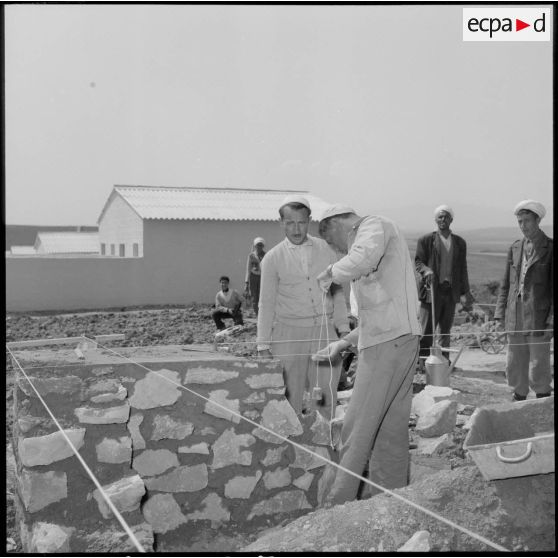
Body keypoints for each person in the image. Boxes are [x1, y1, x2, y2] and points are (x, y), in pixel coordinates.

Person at [314, 205, 421, 506]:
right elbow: (377, 315)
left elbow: (359, 259)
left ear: (334, 226)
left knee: (356, 428)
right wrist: (343, 342)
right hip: (397, 341)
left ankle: (335, 505)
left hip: (387, 346)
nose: (339, 251)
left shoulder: (373, 227)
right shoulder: (376, 244)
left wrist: (329, 275)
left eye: (335, 245)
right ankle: (390, 502)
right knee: (389, 431)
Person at [256, 195, 351, 419]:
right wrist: (263, 344)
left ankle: (324, 447)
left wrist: (343, 328)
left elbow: (336, 292)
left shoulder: (326, 251)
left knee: (324, 396)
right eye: (290, 223)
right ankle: (291, 449)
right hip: (288, 335)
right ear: (281, 223)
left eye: (301, 222)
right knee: (289, 396)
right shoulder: (272, 258)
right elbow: (266, 303)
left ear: (309, 221)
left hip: (323, 332)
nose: (296, 229)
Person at [494, 200, 553, 401]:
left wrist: (552, 320)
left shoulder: (550, 248)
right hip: (515, 314)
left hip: (539, 315)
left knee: (538, 364)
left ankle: (543, 402)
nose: (523, 225)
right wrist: (499, 315)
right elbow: (505, 284)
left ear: (538, 220)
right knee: (515, 362)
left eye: (527, 220)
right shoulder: (515, 248)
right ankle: (518, 399)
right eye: (520, 221)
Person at [415, 205, 474, 363]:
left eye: (446, 217)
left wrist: (466, 292)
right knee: (427, 329)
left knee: (445, 330)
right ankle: (422, 362)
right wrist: (426, 270)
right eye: (440, 217)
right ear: (435, 219)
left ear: (451, 220)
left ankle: (444, 362)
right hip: (431, 291)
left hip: (450, 291)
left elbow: (462, 268)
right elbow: (418, 262)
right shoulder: (426, 240)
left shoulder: (460, 243)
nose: (443, 220)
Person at [244, 237, 266, 316]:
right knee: (254, 297)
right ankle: (257, 314)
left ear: (263, 246)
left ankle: (262, 314)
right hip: (253, 277)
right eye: (257, 245)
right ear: (254, 246)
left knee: (262, 296)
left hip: (262, 278)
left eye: (261, 245)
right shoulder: (251, 256)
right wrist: (246, 282)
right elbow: (248, 269)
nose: (259, 247)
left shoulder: (266, 255)